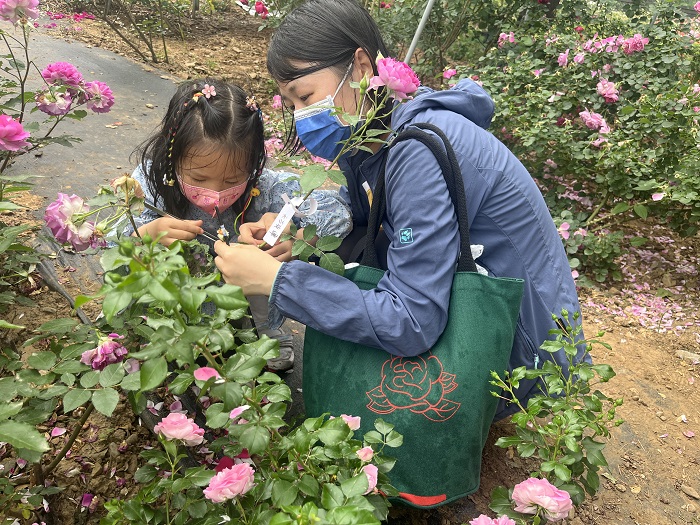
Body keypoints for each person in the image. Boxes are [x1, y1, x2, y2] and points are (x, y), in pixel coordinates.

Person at [213, 0, 587, 418]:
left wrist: (280, 280)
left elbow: (412, 321)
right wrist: (299, 238)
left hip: (519, 362)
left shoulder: (418, 150)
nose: (301, 117)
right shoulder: (368, 139)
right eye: (292, 104)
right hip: (472, 312)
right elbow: (364, 231)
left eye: (305, 97)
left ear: (359, 68)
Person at [125, 78, 353, 372]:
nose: (216, 192)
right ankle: (178, 333)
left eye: (233, 181)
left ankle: (268, 332)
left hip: (246, 301)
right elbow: (112, 246)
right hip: (180, 305)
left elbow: (338, 213)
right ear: (172, 157)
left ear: (254, 165)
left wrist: (292, 230)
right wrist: (145, 236)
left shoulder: (266, 188)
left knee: (261, 259)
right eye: (198, 178)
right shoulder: (150, 184)